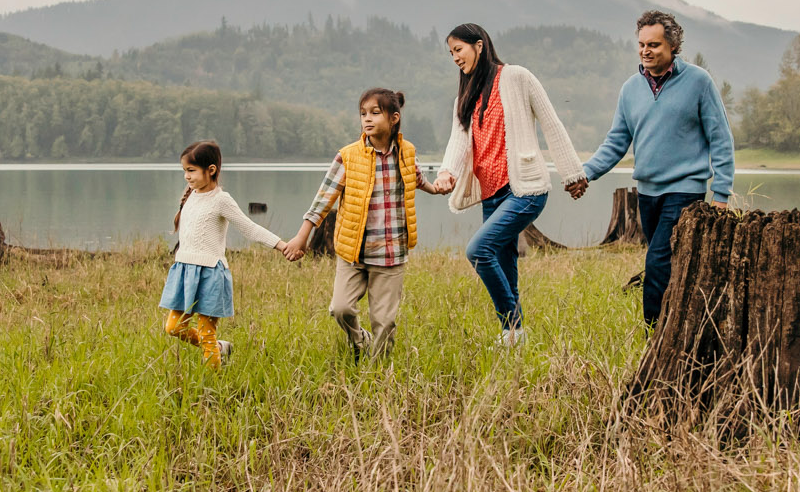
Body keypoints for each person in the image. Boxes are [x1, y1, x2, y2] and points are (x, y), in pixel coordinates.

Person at [571, 9, 736, 325]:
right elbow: (616, 141)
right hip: (646, 194)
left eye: (654, 45)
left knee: (657, 261)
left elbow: (721, 138)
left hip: (685, 191)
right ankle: (680, 324)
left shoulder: (699, 82)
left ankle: (653, 334)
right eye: (642, 44)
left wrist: (722, 194)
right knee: (668, 262)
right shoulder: (630, 89)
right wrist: (585, 173)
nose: (646, 51)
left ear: (673, 46)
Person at [432, 23, 586, 347]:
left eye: (458, 50)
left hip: (525, 190)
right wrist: (447, 171)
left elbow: (550, 121)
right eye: (451, 53)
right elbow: (458, 141)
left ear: (479, 45)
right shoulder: (465, 96)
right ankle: (514, 340)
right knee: (506, 264)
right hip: (491, 193)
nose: (455, 58)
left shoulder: (517, 77)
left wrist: (571, 173)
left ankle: (512, 325)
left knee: (478, 250)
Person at [284, 87, 448, 360]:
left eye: (375, 113)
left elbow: (417, 180)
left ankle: (379, 375)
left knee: (385, 322)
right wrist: (302, 237)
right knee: (341, 308)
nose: (367, 119)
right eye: (363, 114)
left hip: (391, 253)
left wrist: (437, 188)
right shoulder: (348, 156)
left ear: (394, 118)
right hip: (354, 252)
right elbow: (323, 200)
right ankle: (360, 340)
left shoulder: (407, 152)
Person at [161, 140, 291, 369]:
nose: (186, 177)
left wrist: (280, 245)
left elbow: (249, 227)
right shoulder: (190, 195)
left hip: (210, 274)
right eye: (184, 171)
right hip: (184, 272)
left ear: (210, 170)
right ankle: (221, 348)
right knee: (173, 327)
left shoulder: (221, 200)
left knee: (206, 333)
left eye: (191, 171)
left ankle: (212, 390)